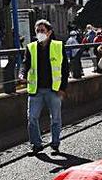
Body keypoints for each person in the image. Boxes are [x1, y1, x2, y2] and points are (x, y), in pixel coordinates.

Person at [18, 19, 68, 155]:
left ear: (49, 32)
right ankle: (36, 144)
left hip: (54, 89)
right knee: (32, 117)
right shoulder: (31, 47)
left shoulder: (58, 46)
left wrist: (63, 88)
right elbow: (25, 64)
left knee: (56, 118)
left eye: (42, 31)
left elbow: (65, 68)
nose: (40, 33)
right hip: (36, 90)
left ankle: (55, 143)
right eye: (37, 31)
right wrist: (22, 74)